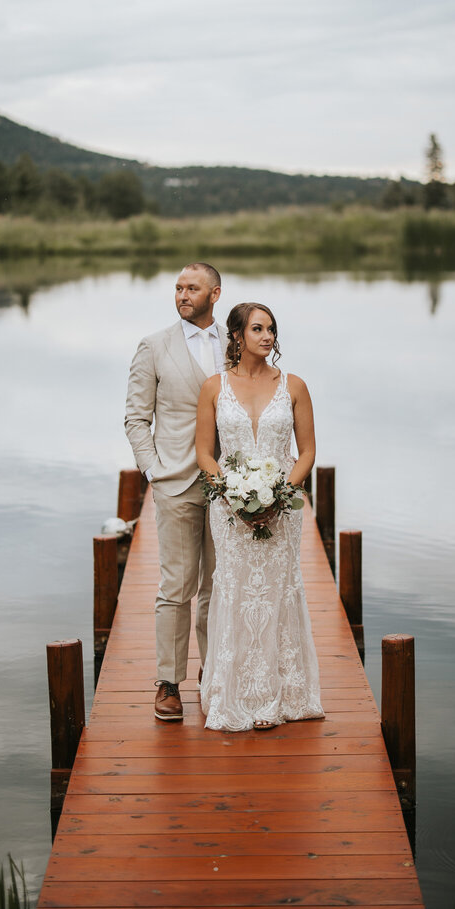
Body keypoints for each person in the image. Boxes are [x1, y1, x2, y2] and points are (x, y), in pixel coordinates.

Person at [195, 302, 324, 732]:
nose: (267, 336)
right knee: (234, 592)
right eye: (257, 329)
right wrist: (231, 495)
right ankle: (230, 693)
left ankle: (280, 693)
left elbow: (306, 452)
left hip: (281, 509)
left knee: (277, 592)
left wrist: (281, 493)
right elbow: (204, 453)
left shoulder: (295, 386)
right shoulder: (213, 387)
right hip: (230, 513)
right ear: (236, 336)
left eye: (271, 329)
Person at [124, 262, 225, 721]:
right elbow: (135, 418)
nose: (183, 295)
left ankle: (214, 673)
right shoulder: (154, 346)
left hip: (229, 488)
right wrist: (154, 472)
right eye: (178, 288)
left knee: (218, 586)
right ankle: (168, 682)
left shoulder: (236, 344)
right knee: (176, 586)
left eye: (193, 288)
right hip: (176, 482)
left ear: (215, 294)